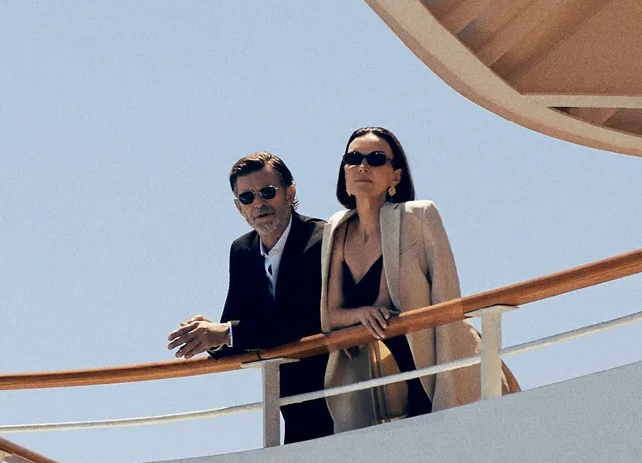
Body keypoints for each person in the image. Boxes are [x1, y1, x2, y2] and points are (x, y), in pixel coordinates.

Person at [316, 126, 483, 430]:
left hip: (426, 367)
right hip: (376, 384)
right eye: (353, 158)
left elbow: (448, 304)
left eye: (376, 159)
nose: (362, 166)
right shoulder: (336, 228)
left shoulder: (419, 216)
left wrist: (449, 394)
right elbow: (330, 315)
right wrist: (362, 314)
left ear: (396, 176)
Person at [167, 151, 333, 444]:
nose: (258, 203)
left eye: (267, 192)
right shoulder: (242, 251)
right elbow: (235, 329)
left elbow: (303, 321)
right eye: (247, 198)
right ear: (238, 207)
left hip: (339, 394)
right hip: (290, 404)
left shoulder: (321, 239)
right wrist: (207, 335)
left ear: (289, 192)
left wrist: (225, 333)